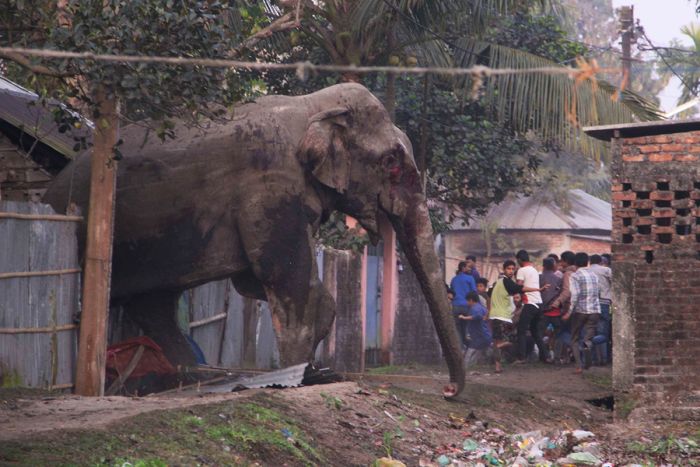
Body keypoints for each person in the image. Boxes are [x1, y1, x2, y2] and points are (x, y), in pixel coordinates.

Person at [568, 252, 601, 374]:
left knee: (574, 338)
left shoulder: (575, 275)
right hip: (595, 311)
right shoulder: (594, 275)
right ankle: (587, 345)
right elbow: (598, 292)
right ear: (587, 262)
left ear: (575, 263)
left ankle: (579, 366)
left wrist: (570, 311)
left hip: (580, 311)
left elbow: (575, 295)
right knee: (588, 337)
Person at [514, 250, 547, 364]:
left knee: (521, 330)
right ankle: (545, 356)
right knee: (535, 331)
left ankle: (521, 357)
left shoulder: (521, 270)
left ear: (519, 259)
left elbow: (519, 287)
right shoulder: (534, 270)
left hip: (530, 303)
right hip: (539, 303)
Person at [459, 291, 498, 372]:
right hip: (484, 334)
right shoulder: (481, 307)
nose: (467, 303)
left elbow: (477, 316)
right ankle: (469, 368)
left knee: (470, 352)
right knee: (479, 352)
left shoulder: (475, 308)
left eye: (467, 301)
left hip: (480, 335)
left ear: (471, 300)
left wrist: (463, 317)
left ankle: (463, 369)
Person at [588, 254, 611, 365]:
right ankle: (603, 359)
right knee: (602, 333)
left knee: (590, 332)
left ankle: (592, 359)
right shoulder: (606, 270)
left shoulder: (586, 271)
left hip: (590, 304)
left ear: (590, 261)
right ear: (601, 262)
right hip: (604, 303)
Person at [540, 257, 563, 362]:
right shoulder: (558, 279)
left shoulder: (539, 278)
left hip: (542, 312)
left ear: (543, 266)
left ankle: (546, 356)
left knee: (539, 334)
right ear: (554, 266)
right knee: (558, 335)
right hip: (555, 311)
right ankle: (557, 357)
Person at [450, 261, 477, 349]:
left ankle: (460, 347)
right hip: (467, 306)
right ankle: (469, 348)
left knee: (457, 328)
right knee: (467, 327)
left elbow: (451, 292)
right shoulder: (470, 278)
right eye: (468, 267)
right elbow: (474, 293)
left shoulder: (454, 279)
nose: (470, 269)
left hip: (456, 306)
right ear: (463, 268)